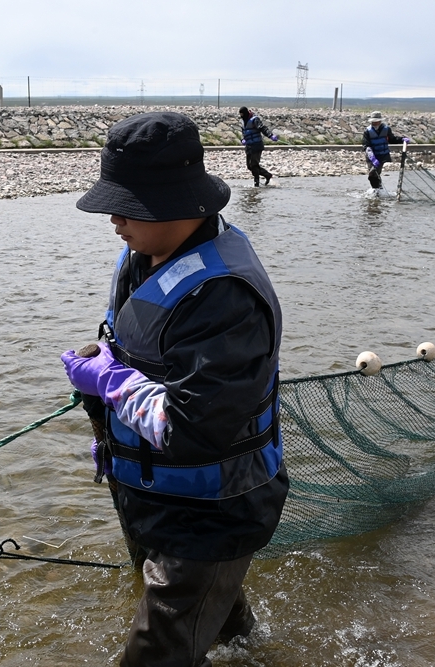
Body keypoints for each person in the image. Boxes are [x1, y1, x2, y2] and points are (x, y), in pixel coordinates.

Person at [61, 111, 289, 667]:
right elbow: (136, 346)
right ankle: (255, 653)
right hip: (157, 493)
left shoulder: (223, 296)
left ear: (179, 203)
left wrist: (110, 381)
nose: (114, 219)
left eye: (128, 207)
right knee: (219, 617)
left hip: (212, 510)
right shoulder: (145, 254)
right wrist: (107, 424)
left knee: (158, 650)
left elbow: (193, 429)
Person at [362, 110, 410, 189]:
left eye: (376, 122)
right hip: (371, 156)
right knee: (372, 174)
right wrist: (372, 158)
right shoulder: (367, 131)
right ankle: (378, 189)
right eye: (373, 122)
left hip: (382, 155)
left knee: (374, 173)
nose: (374, 123)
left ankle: (377, 190)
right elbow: (366, 146)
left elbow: (392, 139)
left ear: (380, 121)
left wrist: (402, 139)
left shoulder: (386, 129)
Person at [238, 106, 279, 186]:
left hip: (257, 145)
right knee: (249, 166)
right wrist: (242, 139)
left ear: (246, 113)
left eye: (242, 114)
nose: (241, 116)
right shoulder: (243, 121)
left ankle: (256, 184)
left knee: (254, 165)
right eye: (240, 115)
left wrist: (270, 136)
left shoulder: (255, 119)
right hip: (249, 146)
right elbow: (244, 133)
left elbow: (263, 128)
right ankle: (267, 175)